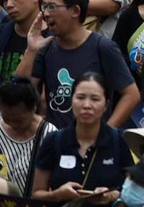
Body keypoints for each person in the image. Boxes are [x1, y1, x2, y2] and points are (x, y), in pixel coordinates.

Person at [22, 0, 139, 130]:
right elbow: (18, 92)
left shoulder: (103, 48)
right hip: (56, 140)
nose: (46, 14)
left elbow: (131, 95)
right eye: (44, 7)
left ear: (75, 11)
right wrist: (31, 50)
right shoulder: (46, 47)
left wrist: (105, 133)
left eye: (52, 7)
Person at [30, 72, 135, 202]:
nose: (86, 105)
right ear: (71, 100)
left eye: (95, 99)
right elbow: (37, 194)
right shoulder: (54, 140)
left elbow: (133, 194)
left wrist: (113, 195)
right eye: (80, 97)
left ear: (106, 105)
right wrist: (56, 195)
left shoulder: (118, 140)